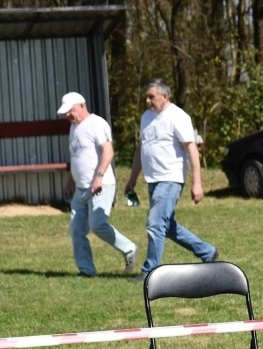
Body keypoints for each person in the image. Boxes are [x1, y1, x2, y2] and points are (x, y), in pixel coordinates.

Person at [124, 79, 218, 282]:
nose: (147, 100)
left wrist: (197, 182)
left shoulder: (178, 117)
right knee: (167, 226)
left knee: (155, 224)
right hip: (153, 179)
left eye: (152, 97)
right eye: (147, 97)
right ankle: (208, 252)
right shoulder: (146, 117)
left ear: (165, 96)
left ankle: (150, 272)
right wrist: (132, 179)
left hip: (171, 178)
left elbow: (191, 149)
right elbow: (141, 149)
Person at [59, 92, 137, 277]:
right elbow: (76, 157)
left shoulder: (97, 123)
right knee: (76, 230)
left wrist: (98, 177)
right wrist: (70, 181)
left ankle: (129, 249)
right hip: (80, 188)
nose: (67, 115)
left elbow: (108, 152)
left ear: (81, 106)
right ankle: (86, 270)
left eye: (70, 111)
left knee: (97, 225)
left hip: (101, 185)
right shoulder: (73, 127)